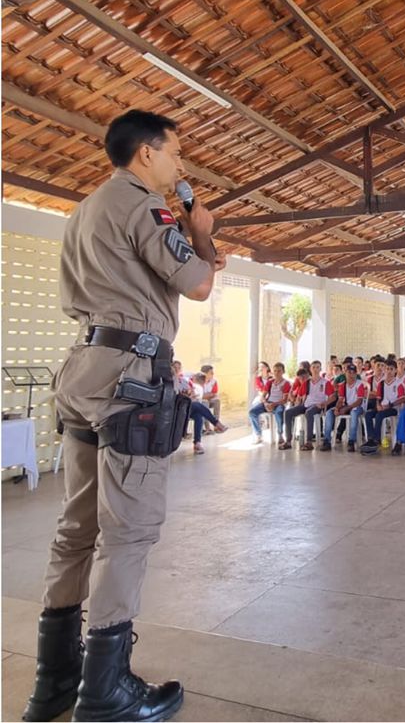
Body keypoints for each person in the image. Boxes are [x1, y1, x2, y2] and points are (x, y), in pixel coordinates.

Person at [26, 110, 222, 721]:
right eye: (174, 154)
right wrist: (203, 230)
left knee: (76, 525)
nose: (178, 166)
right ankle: (106, 689)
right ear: (145, 155)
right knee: (128, 529)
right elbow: (198, 283)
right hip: (129, 378)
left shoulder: (83, 210)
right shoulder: (144, 204)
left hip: (84, 367)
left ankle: (54, 679)